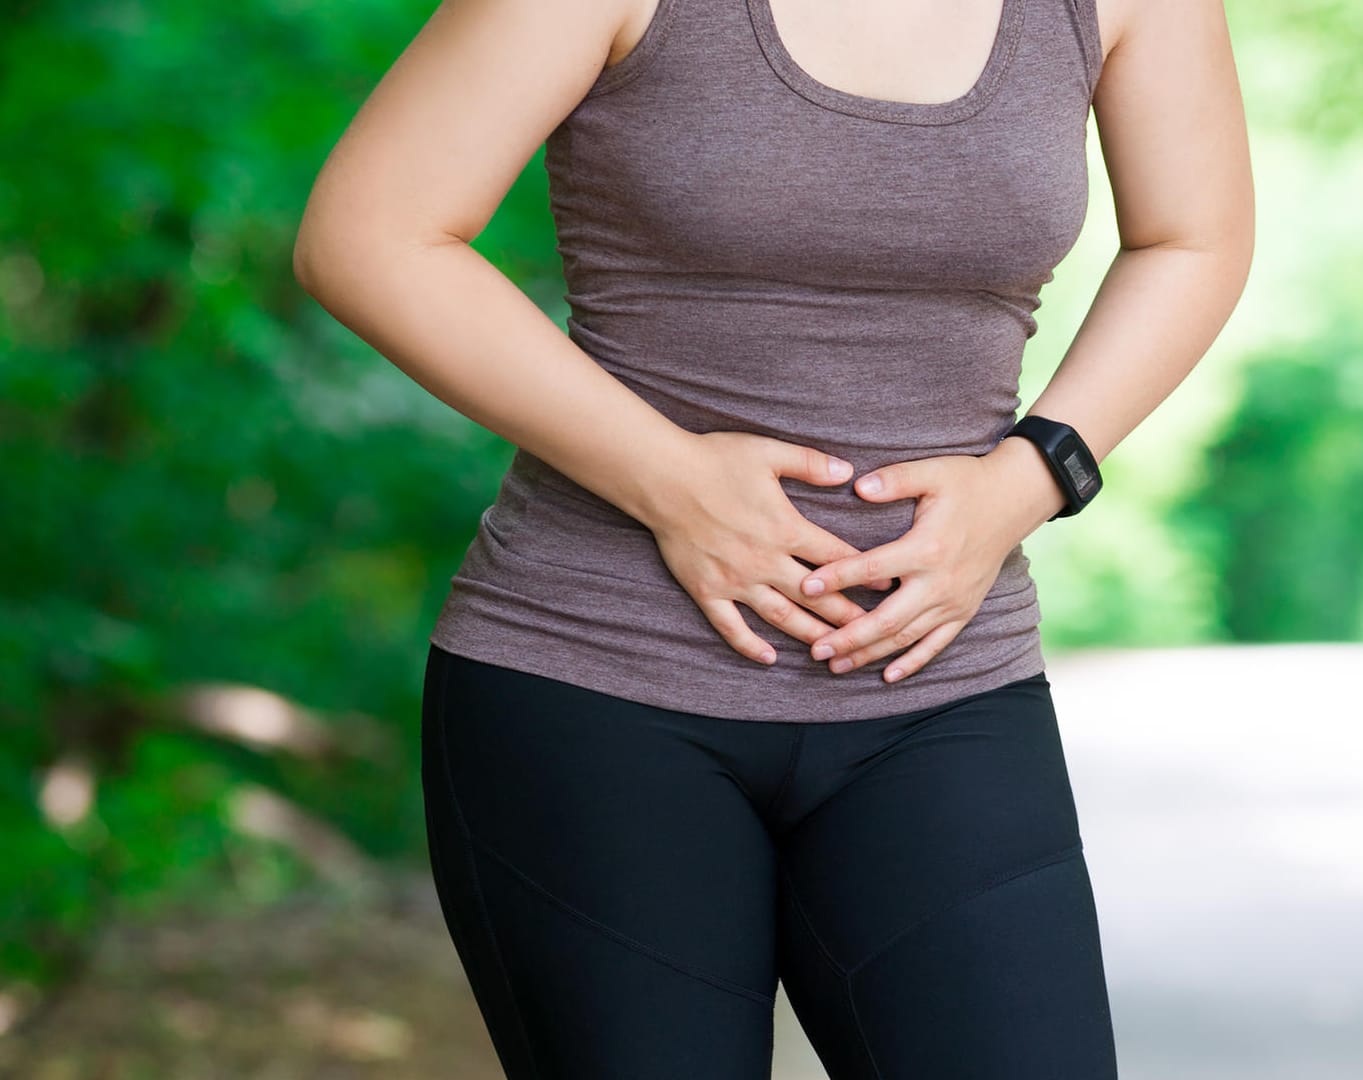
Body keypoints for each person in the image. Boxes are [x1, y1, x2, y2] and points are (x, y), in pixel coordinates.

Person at [293, 0, 1253, 1074]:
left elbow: (1191, 237)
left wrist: (1032, 476)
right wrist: (670, 483)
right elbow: (372, 232)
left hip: (942, 693)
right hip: (597, 686)